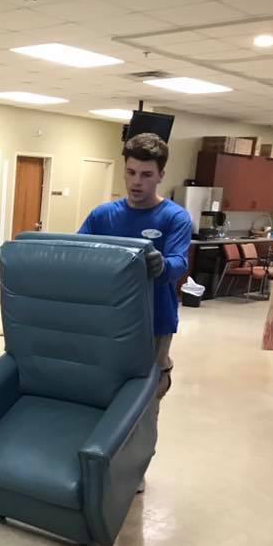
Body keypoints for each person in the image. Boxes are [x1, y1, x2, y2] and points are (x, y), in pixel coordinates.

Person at [79, 132, 192, 480]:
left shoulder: (174, 218)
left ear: (160, 175)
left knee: (145, 401)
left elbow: (179, 262)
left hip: (154, 323)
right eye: (130, 173)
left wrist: (162, 266)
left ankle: (135, 470)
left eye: (145, 175)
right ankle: (100, 463)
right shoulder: (103, 215)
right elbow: (78, 252)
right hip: (109, 321)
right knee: (106, 391)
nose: (136, 182)